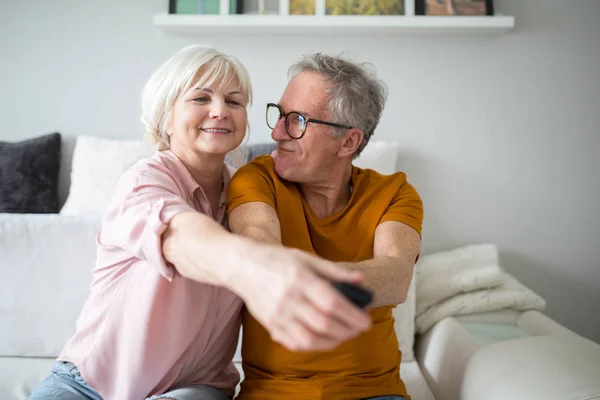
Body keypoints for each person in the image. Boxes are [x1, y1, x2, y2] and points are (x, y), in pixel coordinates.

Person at [28, 46, 372, 400]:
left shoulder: (252, 193)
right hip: (85, 383)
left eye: (234, 101)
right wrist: (258, 267)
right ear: (166, 116)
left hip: (194, 389)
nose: (220, 111)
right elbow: (180, 236)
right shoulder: (144, 180)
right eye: (201, 98)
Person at [227, 53, 423, 400]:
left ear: (349, 141)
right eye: (280, 114)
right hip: (274, 392)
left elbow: (395, 276)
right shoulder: (255, 179)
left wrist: (299, 280)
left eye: (297, 120)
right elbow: (261, 251)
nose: (276, 132)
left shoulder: (394, 193)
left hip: (374, 393)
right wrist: (347, 282)